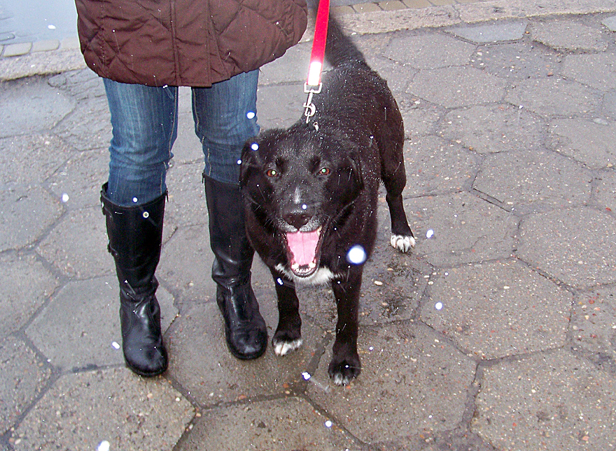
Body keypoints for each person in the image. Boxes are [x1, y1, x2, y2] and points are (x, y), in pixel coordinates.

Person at [75, 0, 308, 376]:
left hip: (226, 11)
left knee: (233, 141)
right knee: (140, 150)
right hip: (130, 12)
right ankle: (137, 299)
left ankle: (234, 282)